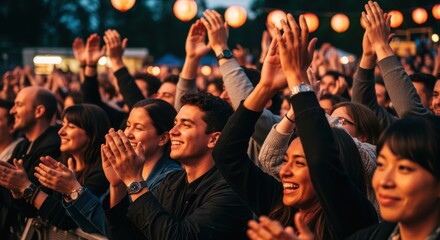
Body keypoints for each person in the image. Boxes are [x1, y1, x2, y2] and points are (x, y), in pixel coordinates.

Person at [213, 14, 377, 240]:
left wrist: (298, 78)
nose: (283, 171)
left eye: (299, 163)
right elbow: (226, 154)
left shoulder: (353, 213)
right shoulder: (278, 203)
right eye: (287, 160)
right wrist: (265, 86)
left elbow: (322, 162)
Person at [103, 92, 253, 239]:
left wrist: (134, 180)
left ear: (213, 139)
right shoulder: (172, 181)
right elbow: (133, 234)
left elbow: (178, 236)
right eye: (175, 124)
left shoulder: (232, 191)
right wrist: (118, 186)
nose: (173, 132)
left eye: (186, 125)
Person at [59, 99, 181, 237]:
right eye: (128, 125)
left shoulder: (171, 178)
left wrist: (75, 189)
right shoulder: (124, 169)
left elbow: (123, 232)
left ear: (163, 138)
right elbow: (94, 225)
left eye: (139, 128)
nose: (128, 134)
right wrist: (115, 186)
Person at [0, 104, 110, 233]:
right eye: (62, 124)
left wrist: (26, 187)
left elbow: (67, 219)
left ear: (92, 133)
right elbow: (32, 210)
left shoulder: (104, 172)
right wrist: (18, 190)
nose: (61, 131)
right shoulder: (58, 164)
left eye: (71, 126)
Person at [0, 86, 61, 238]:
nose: (12, 111)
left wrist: (17, 187)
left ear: (39, 111)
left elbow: (30, 205)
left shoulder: (52, 147)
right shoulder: (23, 144)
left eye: (19, 105)